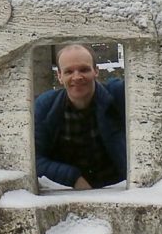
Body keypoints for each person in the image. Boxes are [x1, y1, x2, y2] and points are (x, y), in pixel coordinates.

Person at [33, 44, 126, 190]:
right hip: (67, 192)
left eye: (84, 69)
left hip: (118, 188)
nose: (77, 77)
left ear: (96, 71)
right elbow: (34, 159)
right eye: (69, 71)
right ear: (59, 76)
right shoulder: (45, 106)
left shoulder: (120, 95)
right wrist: (73, 177)